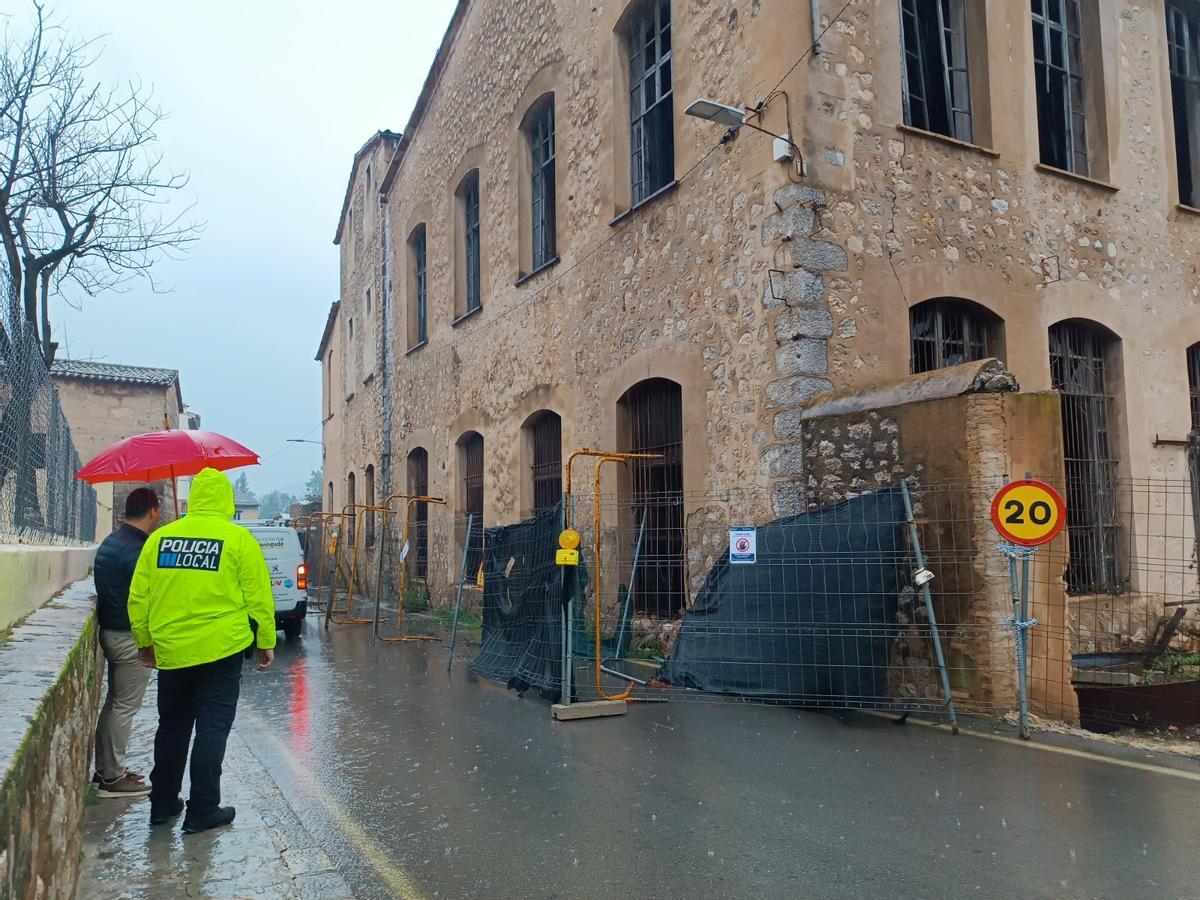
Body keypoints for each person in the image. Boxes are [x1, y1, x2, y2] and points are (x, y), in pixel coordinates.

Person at [129, 467, 276, 834]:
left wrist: (144, 641)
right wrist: (266, 642)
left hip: (172, 651)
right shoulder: (238, 539)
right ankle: (202, 811)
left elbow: (139, 596)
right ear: (226, 499)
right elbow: (258, 597)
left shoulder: (160, 539)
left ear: (194, 498)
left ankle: (162, 804)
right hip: (221, 651)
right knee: (212, 730)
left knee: (172, 729)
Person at [91, 487, 162, 798]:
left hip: (111, 631)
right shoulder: (137, 551)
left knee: (115, 703)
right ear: (153, 511)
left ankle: (108, 770)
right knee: (124, 707)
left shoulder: (113, 540)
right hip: (128, 637)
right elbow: (143, 599)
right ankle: (111, 778)